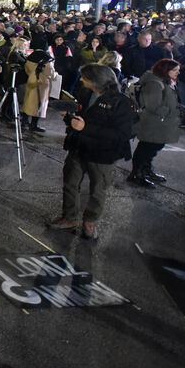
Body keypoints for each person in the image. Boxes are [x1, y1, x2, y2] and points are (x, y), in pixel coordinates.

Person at [49, 64, 133, 239]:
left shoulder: (121, 102)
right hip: (78, 148)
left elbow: (122, 134)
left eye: (85, 77)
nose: (81, 80)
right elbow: (79, 119)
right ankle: (69, 218)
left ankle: (90, 222)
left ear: (96, 80)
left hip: (103, 154)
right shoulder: (85, 93)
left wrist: (85, 128)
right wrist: (69, 117)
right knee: (70, 183)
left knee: (98, 190)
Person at [127, 59, 181, 188]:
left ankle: (146, 170)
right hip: (152, 122)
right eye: (175, 70)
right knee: (147, 148)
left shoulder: (163, 81)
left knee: (153, 148)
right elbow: (153, 105)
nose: (178, 72)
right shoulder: (154, 83)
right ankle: (137, 174)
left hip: (159, 122)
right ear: (165, 70)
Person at [21, 50, 57, 133]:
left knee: (28, 102)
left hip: (31, 80)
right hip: (42, 84)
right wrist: (55, 74)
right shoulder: (47, 62)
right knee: (39, 104)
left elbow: (27, 70)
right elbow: (51, 74)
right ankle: (33, 125)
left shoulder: (30, 60)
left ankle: (24, 121)